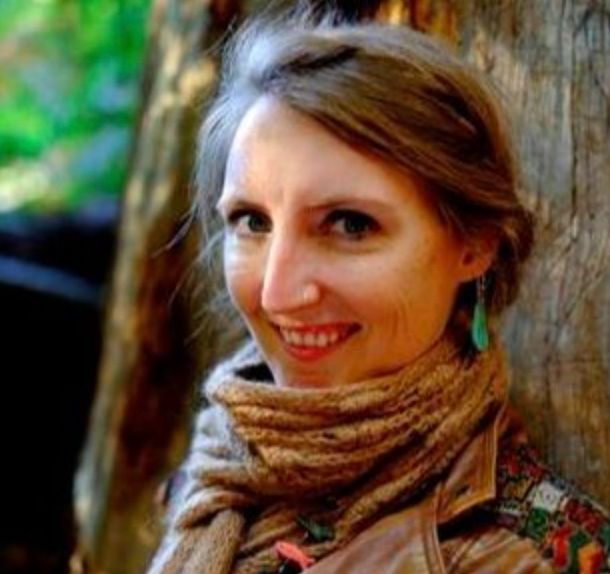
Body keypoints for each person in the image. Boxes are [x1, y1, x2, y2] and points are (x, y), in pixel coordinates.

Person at [148, 8, 610, 574]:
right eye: (253, 221)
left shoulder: (528, 555)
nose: (276, 294)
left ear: (473, 246)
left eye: (350, 225)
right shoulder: (217, 467)